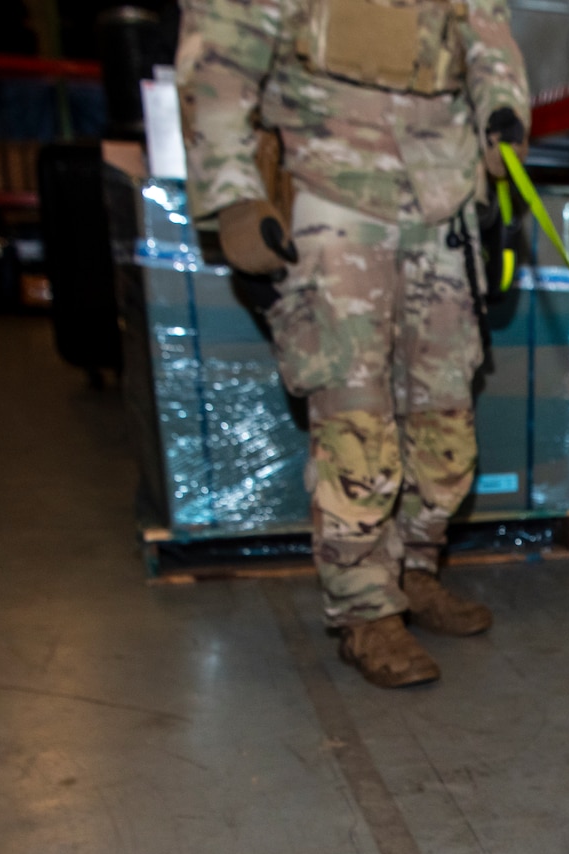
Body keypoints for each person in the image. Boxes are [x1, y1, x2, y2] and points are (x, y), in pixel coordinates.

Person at [177, 0, 529, 687]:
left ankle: (416, 571)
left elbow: (488, 36)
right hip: (329, 184)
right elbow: (220, 53)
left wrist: (504, 122)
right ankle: (365, 611)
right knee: (354, 414)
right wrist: (233, 196)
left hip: (445, 192)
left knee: (445, 411)